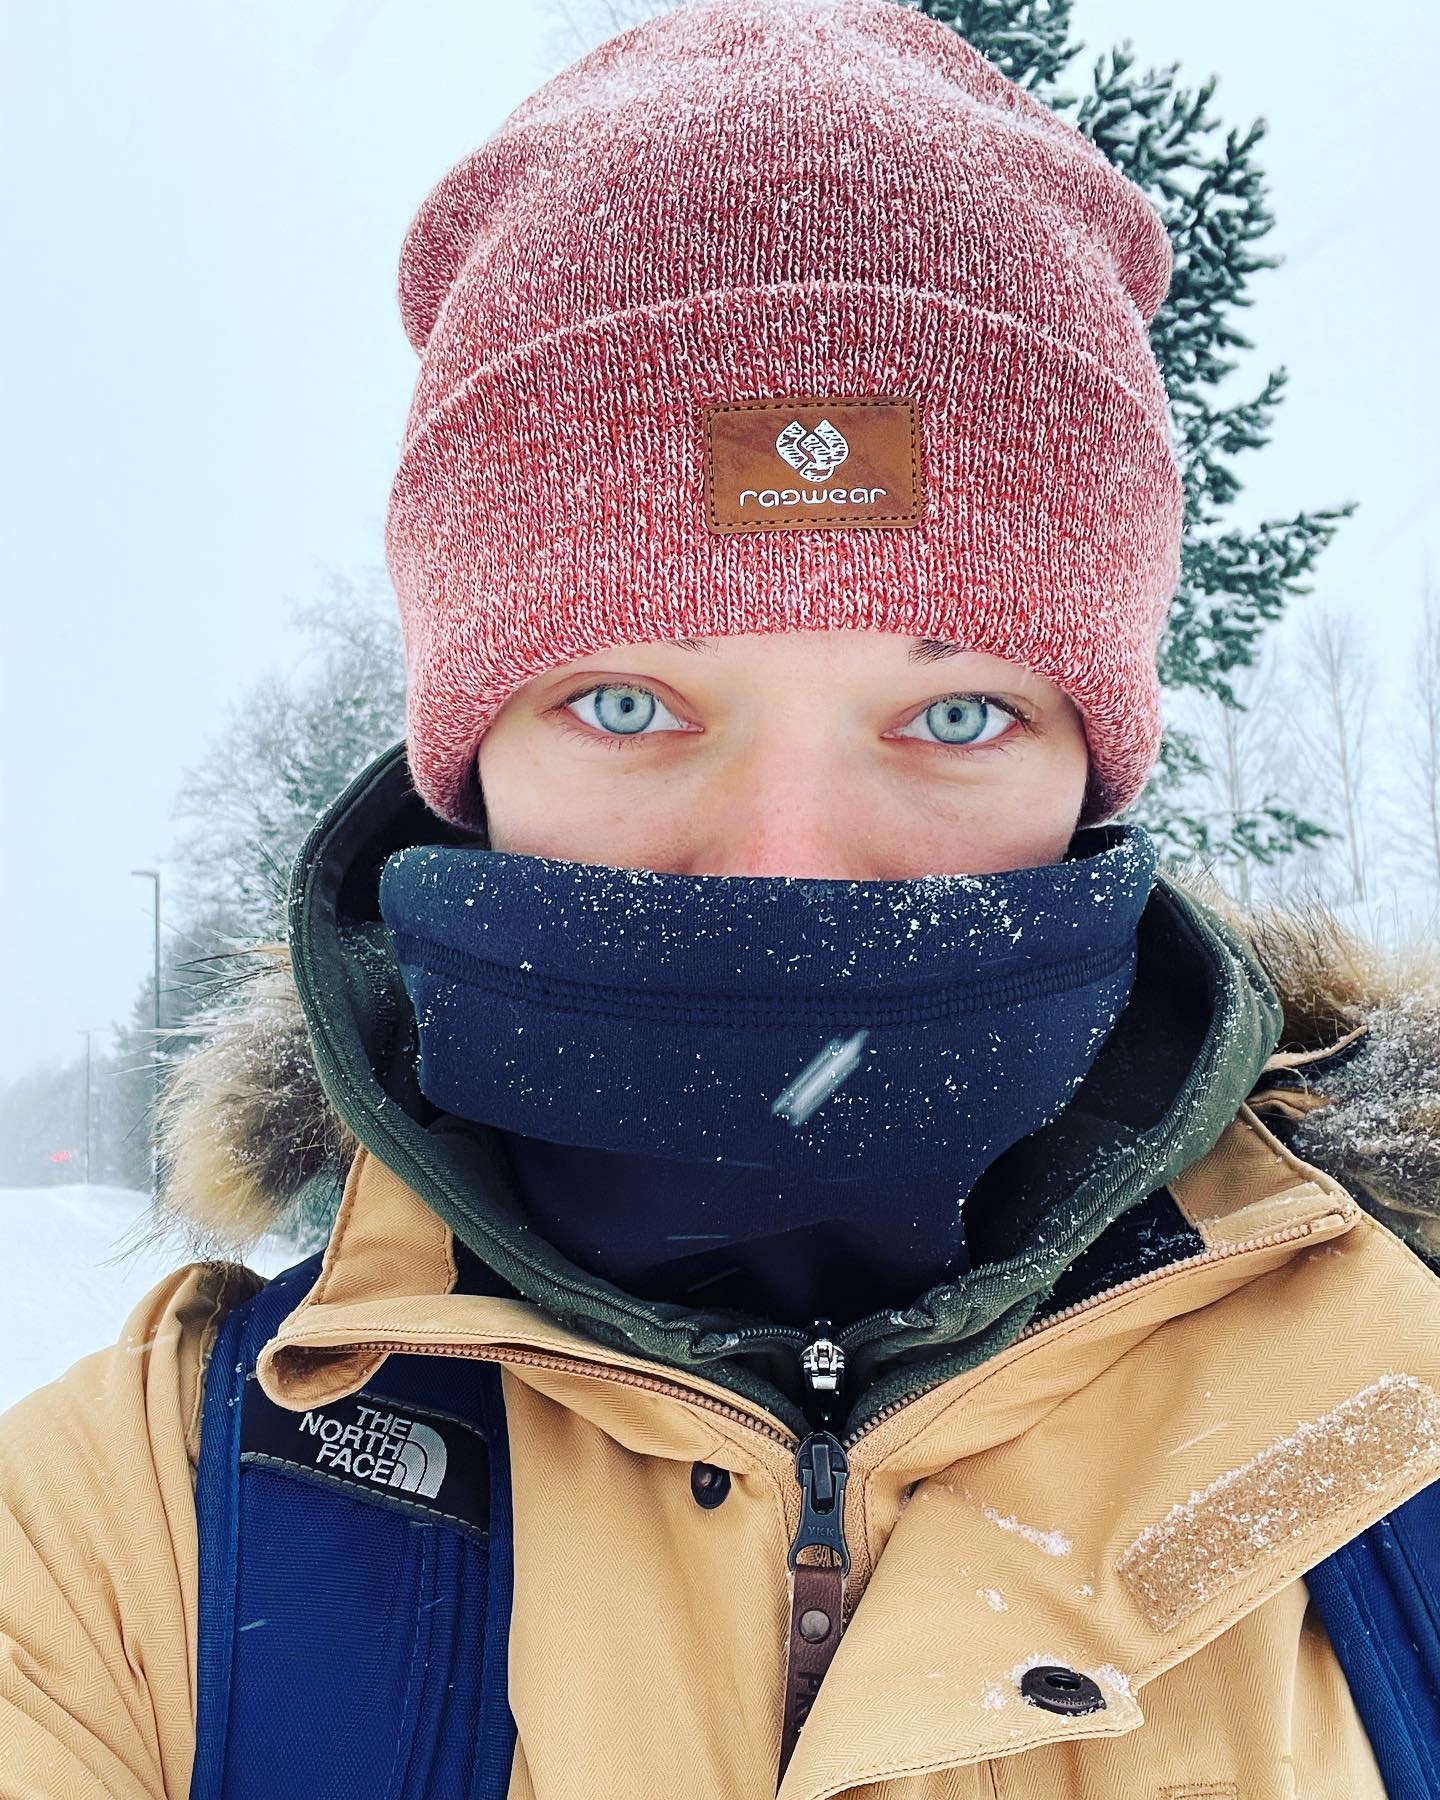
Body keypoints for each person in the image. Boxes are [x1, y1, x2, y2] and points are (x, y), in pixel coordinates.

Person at [3, 1, 1439, 1794]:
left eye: (956, 715)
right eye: (629, 705)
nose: (788, 862)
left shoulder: (1402, 1448)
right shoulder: (132, 1546)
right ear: (466, 768)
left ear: (1097, 774)